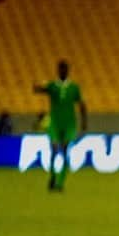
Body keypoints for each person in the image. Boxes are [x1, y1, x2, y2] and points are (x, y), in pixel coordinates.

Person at [33, 60, 87, 192]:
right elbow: (37, 90)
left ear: (68, 71)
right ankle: (52, 176)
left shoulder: (74, 87)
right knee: (54, 149)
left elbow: (81, 104)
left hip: (69, 123)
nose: (63, 71)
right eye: (60, 69)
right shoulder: (52, 86)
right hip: (55, 123)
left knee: (64, 151)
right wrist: (37, 85)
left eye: (64, 69)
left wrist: (85, 121)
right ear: (58, 71)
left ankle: (60, 183)